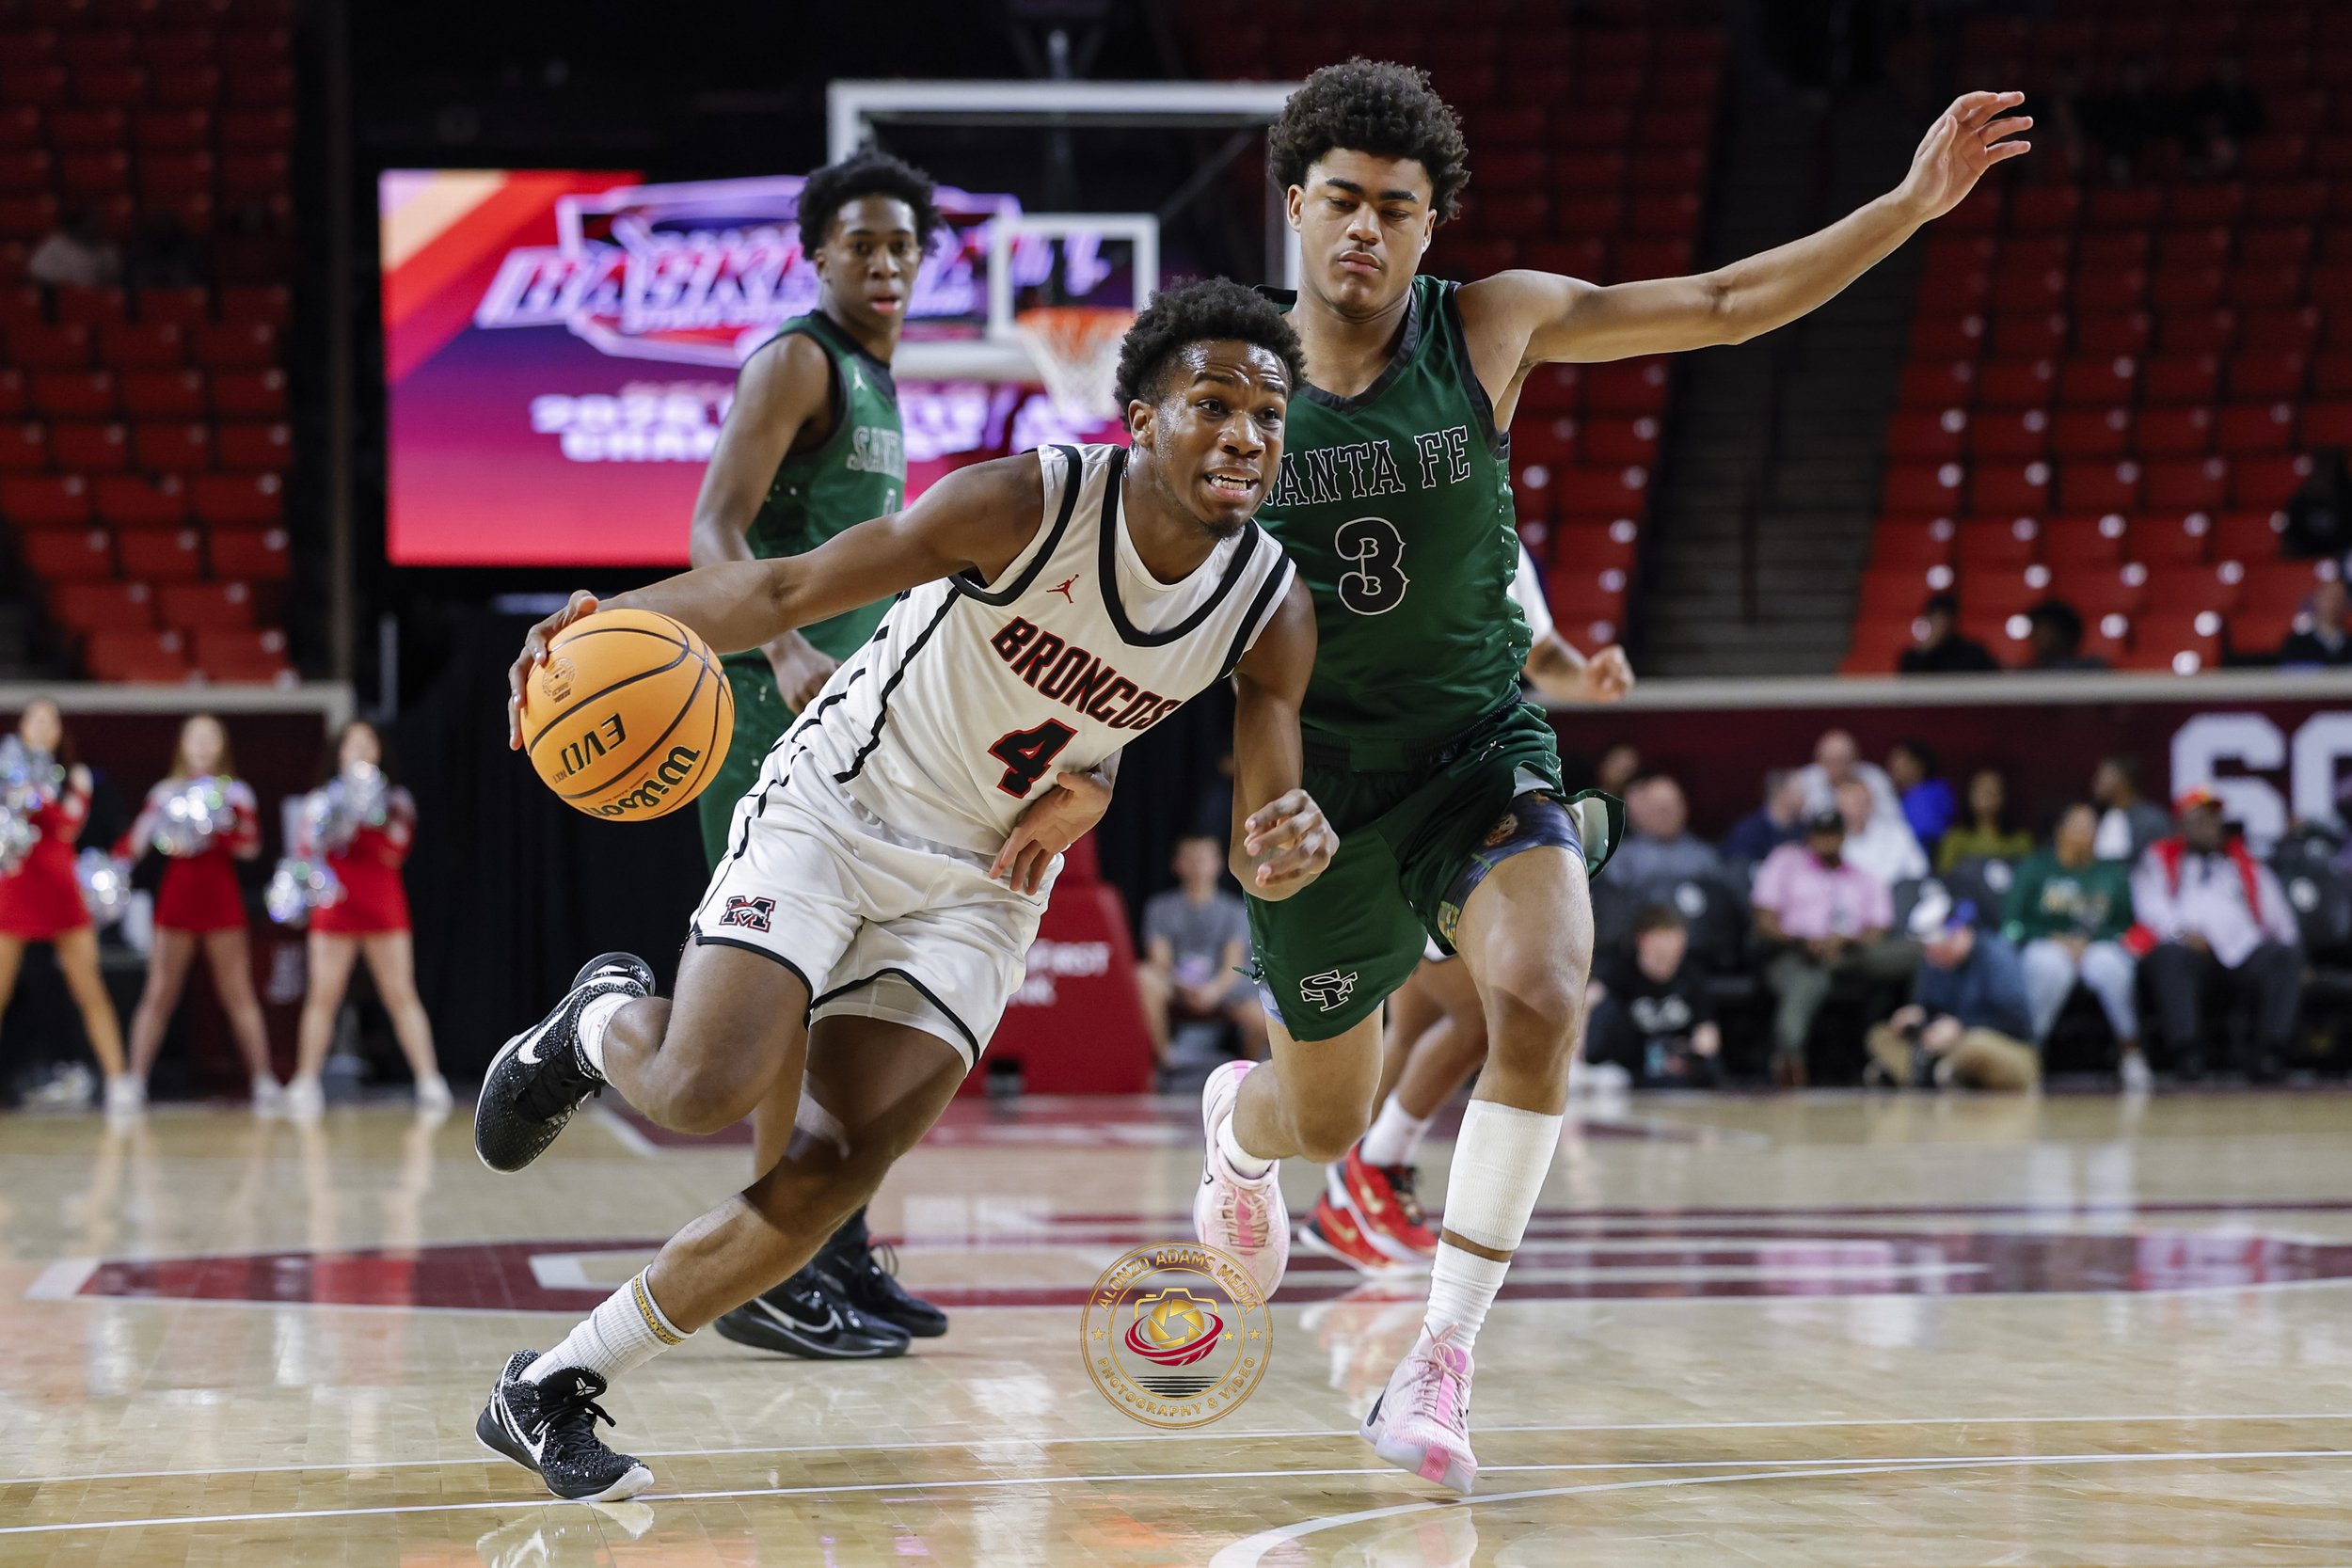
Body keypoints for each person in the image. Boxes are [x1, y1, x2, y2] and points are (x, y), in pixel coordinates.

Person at [1206, 59, 2020, 1494]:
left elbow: (1717, 304)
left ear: (1430, 227)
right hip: (1319, 792)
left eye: (1396, 209)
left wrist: (1904, 207)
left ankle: (1440, 1360)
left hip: (1477, 750)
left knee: (1539, 988)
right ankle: (1236, 1127)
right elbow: (1138, 594)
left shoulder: (1495, 325)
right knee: (1317, 1112)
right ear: (1294, 205)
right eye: (1340, 201)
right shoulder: (1232, 381)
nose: (1365, 232)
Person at [469, 279, 1336, 1503]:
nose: (1245, 433)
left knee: (830, 1172)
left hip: (982, 884)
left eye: (1268, 412)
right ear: (1137, 416)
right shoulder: (1023, 500)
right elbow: (785, 587)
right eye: (1213, 404)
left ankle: (547, 1385)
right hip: (838, 803)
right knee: (701, 1086)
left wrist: (1271, 845)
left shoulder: (1272, 608)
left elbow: (1254, 833)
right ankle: (598, 1018)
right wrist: (608, 621)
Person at [682, 150, 952, 1362]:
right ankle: (765, 1270)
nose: (886, 263)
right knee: (789, 983)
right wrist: (785, 646)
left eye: (903, 244)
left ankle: (831, 1241)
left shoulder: (876, 377)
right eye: (862, 243)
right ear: (818, 254)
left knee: (853, 983)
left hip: (849, 728)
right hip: (759, 707)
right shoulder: (796, 359)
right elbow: (712, 524)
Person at [1296, 548, 1633, 1275]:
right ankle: (1366, 1173)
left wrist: (1586, 676)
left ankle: (1351, 1188)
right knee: (1486, 1014)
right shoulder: (1380, 508)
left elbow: (1541, 649)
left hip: (1467, 794)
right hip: (1397, 795)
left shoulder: (1495, 527)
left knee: (1425, 1021)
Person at [281, 721, 450, 1117]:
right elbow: (306, 853)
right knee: (324, 995)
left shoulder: (396, 800)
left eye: (367, 742)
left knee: (399, 993)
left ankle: (429, 1079)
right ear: (339, 753)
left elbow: (396, 850)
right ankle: (306, 1081)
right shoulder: (321, 801)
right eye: (350, 743)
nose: (358, 749)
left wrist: (366, 814)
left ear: (378, 752)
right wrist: (337, 820)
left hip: (382, 903)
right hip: (335, 903)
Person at [114, 715, 278, 1112]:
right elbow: (135, 843)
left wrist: (217, 827)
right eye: (195, 738)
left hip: (221, 897)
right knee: (160, 991)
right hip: (178, 898)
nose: (203, 745)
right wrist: (106, 872)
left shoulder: (237, 793)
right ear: (182, 746)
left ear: (222, 746)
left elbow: (251, 847)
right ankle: (133, 1080)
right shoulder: (165, 792)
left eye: (211, 738)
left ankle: (264, 1079)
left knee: (237, 992)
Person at [0, 700, 131, 1109]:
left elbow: (69, 824)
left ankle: (119, 1081)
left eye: (50, 721)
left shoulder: (74, 777)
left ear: (59, 732)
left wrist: (36, 795)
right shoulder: (5, 775)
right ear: (21, 728)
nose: (42, 727)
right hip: (16, 888)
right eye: (34, 720)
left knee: (88, 987)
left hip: (61, 891)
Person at [2127, 787, 2303, 1081]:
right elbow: (2150, 909)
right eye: (2198, 819)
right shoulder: (2160, 858)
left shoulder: (2245, 863)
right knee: (2169, 956)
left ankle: (2271, 1054)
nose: (2208, 825)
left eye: (2213, 818)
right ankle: (2188, 1054)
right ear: (2181, 824)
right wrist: (2182, 933)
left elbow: (2281, 921)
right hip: (2191, 952)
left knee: (2285, 957)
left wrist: (2292, 950)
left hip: (2244, 952)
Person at [1754, 808, 1910, 1083]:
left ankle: (1920, 1033)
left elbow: (1879, 927)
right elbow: (1764, 919)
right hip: (1795, 953)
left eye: (1832, 835)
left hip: (1849, 954)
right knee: (1809, 980)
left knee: (1917, 952)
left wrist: (1848, 939)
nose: (1826, 842)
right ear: (1810, 837)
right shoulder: (1786, 863)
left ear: (1843, 836)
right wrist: (1802, 939)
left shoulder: (1863, 877)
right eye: (1820, 835)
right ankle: (1789, 1055)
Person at [2004, 801, 2144, 1090]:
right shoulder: (2035, 867)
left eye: (2092, 827)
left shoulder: (2111, 873)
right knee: (2051, 966)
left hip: (2096, 946)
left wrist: (2090, 941)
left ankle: (2130, 1050)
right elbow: (2012, 923)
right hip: (2046, 944)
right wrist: (2053, 937)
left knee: (2112, 967)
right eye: (2078, 827)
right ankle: (2031, 1052)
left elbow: (2126, 926)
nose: (2086, 834)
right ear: (2060, 832)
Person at [1866, 891, 2039, 1091]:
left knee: (1976, 1046)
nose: (1929, 957)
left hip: (2004, 1048)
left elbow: (2017, 1021)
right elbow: (1932, 1009)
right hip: (1943, 1047)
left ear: (1955, 934)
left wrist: (1962, 1027)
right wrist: (1918, 1017)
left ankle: (1920, 1074)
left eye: (1933, 948)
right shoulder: (1933, 963)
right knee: (1880, 1034)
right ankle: (1926, 1075)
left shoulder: (1996, 956)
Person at [1138, 833, 1266, 1085]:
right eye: (1190, 859)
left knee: (1262, 1017)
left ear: (1218, 864)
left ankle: (1244, 1074)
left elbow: (1234, 963)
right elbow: (1159, 960)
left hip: (1222, 986)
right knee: (1144, 976)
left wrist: (1212, 991)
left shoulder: (1234, 909)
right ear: (1177, 864)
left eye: (1203, 859)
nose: (1197, 865)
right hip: (1177, 984)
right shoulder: (1160, 907)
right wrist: (1182, 986)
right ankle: (1166, 1061)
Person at [1582, 905, 1721, 1088]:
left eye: (1675, 940)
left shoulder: (1691, 976)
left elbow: (1707, 1032)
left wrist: (1689, 1055)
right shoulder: (1620, 970)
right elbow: (1587, 1003)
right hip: (1628, 1069)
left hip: (1675, 1069)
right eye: (1662, 940)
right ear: (1642, 940)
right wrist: (1578, 1056)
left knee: (1711, 1071)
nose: (1668, 950)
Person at [1604, 774, 1727, 906]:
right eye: (1660, 809)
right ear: (1642, 811)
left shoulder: (1704, 856)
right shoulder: (1622, 859)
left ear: (1684, 808)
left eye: (1672, 807)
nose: (1667, 815)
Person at [1795, 727, 1905, 825]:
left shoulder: (1875, 778)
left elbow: (1894, 818)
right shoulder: (1804, 780)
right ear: (1819, 761)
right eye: (1830, 761)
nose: (1836, 768)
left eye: (1842, 761)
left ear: (1855, 760)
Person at [1836, 776, 1929, 886]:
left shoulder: (1896, 831)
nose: (1859, 808)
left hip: (1897, 895)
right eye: (1853, 802)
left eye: (1863, 801)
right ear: (1839, 806)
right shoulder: (1831, 840)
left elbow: (1919, 869)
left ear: (1871, 802)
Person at [1937, 767, 2032, 873]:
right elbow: (1944, 879)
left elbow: (2029, 880)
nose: (1987, 794)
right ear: (1969, 796)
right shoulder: (1955, 838)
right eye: (1981, 789)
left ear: (2004, 796)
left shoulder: (2020, 840)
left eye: (1993, 789)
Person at [1721, 768, 1809, 869]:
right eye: (1800, 791)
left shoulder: (1804, 829)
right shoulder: (1748, 831)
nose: (1805, 796)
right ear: (1781, 794)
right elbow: (1737, 871)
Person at [2091, 753, 2170, 863]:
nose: (2096, 782)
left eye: (2104, 776)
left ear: (2123, 780)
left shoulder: (2152, 820)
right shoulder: (2102, 820)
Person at [1898, 591, 1999, 673]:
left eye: (1944, 618)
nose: (1940, 623)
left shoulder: (1974, 653)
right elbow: (1907, 688)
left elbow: (1995, 681)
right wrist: (1923, 653)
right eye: (1935, 618)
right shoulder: (1913, 655)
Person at [1886, 738, 1955, 854]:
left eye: (1900, 760)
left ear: (1919, 766)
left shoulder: (1930, 795)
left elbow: (1923, 834)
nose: (1893, 765)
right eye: (1893, 760)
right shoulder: (1901, 795)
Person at [25, 209, 120, 289]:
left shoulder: (106, 248)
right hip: (61, 300)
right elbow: (35, 271)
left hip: (96, 300)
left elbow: (113, 277)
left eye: (98, 222)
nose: (94, 226)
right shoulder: (56, 243)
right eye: (90, 222)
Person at [2276, 578, 2352, 668]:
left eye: (2338, 598)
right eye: (2328, 598)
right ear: (2317, 600)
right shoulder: (2296, 644)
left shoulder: (2349, 643)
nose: (2333, 604)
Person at [2025, 599, 2107, 672]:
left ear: (2062, 633)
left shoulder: (2091, 669)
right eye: (2035, 629)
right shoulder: (2030, 673)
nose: (2035, 636)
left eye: (2041, 629)